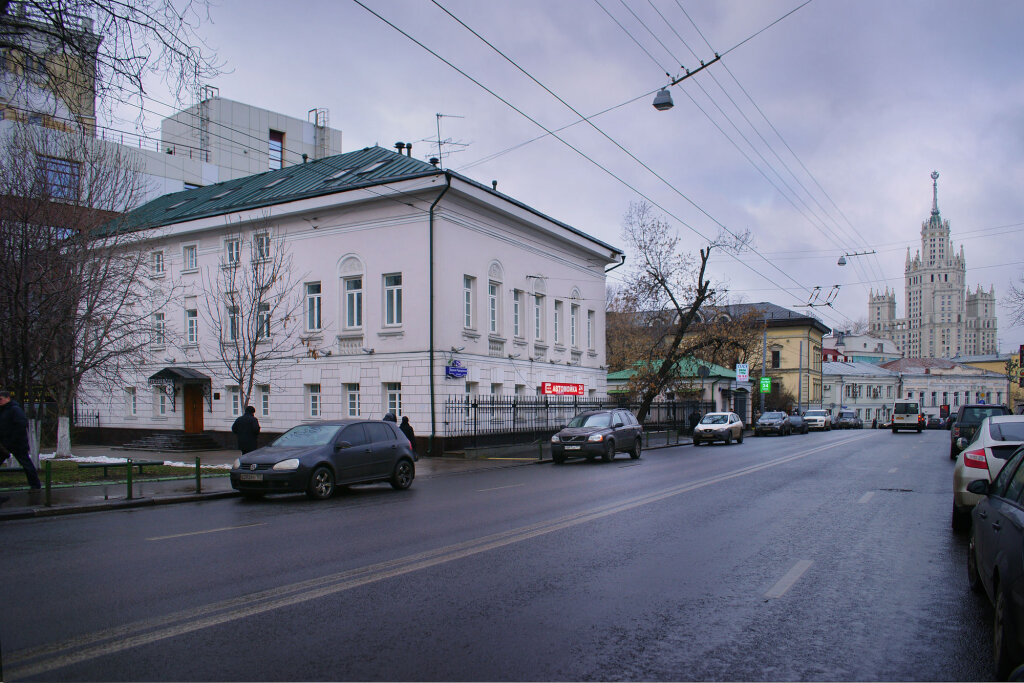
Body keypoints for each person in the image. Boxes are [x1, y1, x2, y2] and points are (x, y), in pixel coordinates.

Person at [0, 390, 41, 489]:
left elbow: (21, 425)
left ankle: (35, 485)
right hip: (5, 443)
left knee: (26, 464)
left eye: (0, 399)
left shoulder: (15, 409)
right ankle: (35, 485)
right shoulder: (3, 410)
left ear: (8, 398)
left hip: (17, 443)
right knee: (26, 463)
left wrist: (13, 439)